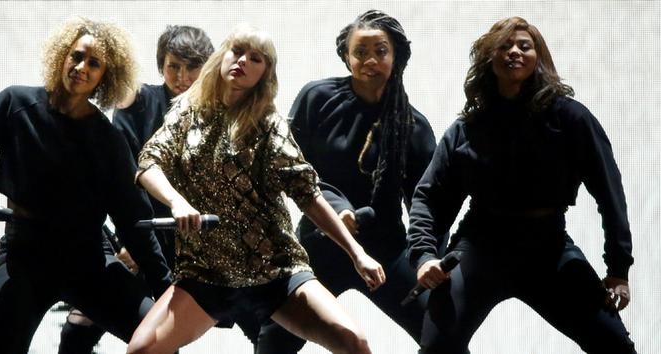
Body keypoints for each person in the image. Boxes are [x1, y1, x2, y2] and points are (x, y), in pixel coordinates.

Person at [125, 23, 384, 354]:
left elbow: (307, 194)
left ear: (265, 73)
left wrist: (357, 253)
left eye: (256, 58)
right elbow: (148, 163)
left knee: (353, 341)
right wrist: (176, 202)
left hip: (274, 269)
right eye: (237, 51)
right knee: (141, 350)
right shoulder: (187, 112)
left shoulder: (268, 124)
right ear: (221, 57)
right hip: (206, 271)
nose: (242, 61)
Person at [0, 17, 172, 354]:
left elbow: (132, 218)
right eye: (76, 56)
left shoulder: (108, 140)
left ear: (105, 76)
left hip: (89, 259)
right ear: (62, 56)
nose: (81, 67)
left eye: (94, 64)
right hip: (25, 254)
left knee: (161, 337)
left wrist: (166, 288)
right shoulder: (15, 103)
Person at [407, 16, 636, 354]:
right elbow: (431, 196)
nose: (514, 52)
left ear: (538, 57)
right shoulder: (467, 128)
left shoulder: (571, 119)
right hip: (479, 246)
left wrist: (618, 269)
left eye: (524, 46)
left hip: (549, 247)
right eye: (505, 46)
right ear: (489, 58)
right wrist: (425, 255)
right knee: (437, 346)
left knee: (614, 344)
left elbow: (609, 191)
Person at [256, 9, 437, 353]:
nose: (370, 60)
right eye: (360, 52)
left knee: (442, 332)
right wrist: (337, 209)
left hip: (386, 249)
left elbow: (425, 203)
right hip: (319, 244)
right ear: (346, 56)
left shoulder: (413, 125)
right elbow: (289, 169)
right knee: (274, 339)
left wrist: (428, 257)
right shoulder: (318, 98)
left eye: (380, 51)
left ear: (396, 55)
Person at [58, 24, 219, 354]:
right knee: (90, 317)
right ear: (161, 64)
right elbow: (125, 175)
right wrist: (132, 239)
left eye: (191, 67)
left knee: (169, 329)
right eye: (173, 65)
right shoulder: (140, 101)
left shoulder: (217, 112)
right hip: (142, 229)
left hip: (192, 238)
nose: (182, 76)